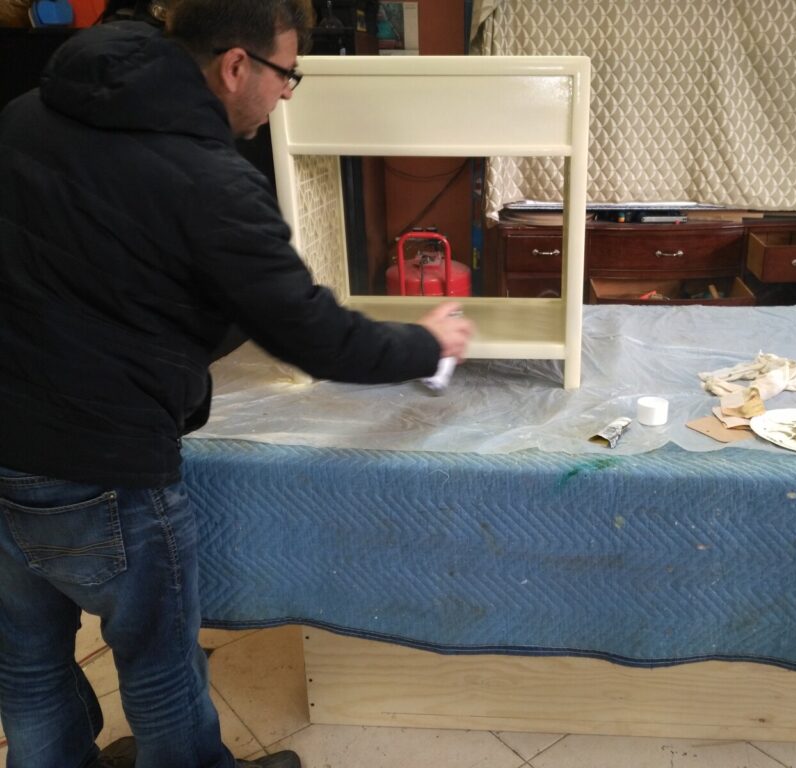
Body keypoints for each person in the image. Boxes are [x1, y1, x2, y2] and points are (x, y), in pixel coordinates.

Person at [0, 0, 474, 766]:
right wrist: (429, 343)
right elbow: (317, 335)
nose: (288, 93)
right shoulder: (210, 180)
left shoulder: (27, 113)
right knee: (158, 666)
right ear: (235, 66)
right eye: (289, 74)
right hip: (103, 466)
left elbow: (101, 269)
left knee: (25, 660)